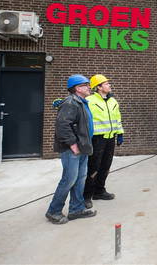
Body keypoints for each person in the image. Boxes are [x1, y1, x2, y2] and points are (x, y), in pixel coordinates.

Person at [45, 74, 97, 224]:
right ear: (77, 88)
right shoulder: (71, 103)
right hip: (72, 150)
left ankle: (76, 209)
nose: (89, 87)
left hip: (82, 148)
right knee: (69, 180)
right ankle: (53, 211)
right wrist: (73, 145)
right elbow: (62, 126)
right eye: (86, 85)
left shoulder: (81, 102)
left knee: (80, 179)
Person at [83, 74, 124, 209]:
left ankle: (99, 191)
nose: (109, 85)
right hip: (97, 139)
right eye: (106, 84)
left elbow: (118, 119)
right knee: (93, 167)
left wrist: (120, 134)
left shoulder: (113, 101)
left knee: (106, 166)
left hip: (110, 138)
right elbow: (75, 106)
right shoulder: (89, 100)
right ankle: (87, 196)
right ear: (98, 87)